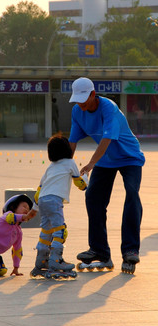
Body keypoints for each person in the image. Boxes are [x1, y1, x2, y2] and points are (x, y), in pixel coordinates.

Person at [68, 77, 145, 274]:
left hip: (129, 157)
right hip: (106, 160)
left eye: (84, 100)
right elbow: (73, 141)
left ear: (93, 94)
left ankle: (130, 250)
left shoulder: (108, 107)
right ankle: (100, 251)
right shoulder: (77, 111)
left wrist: (91, 162)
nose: (80, 104)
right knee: (93, 197)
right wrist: (65, 167)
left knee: (132, 193)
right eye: (77, 100)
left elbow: (107, 138)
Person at [26, 134, 88, 279]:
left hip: (42, 200)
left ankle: (41, 261)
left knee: (46, 230)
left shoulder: (50, 167)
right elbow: (80, 184)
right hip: (54, 200)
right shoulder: (70, 162)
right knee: (60, 231)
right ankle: (56, 261)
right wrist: (86, 178)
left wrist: (34, 209)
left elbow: (39, 190)